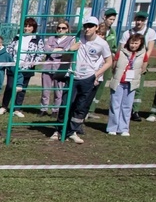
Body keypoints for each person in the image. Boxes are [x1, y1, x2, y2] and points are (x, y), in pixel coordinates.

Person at [53, 13, 112, 144]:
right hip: (73, 76)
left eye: (91, 26)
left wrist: (96, 74)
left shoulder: (102, 43)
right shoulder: (77, 37)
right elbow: (65, 55)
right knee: (66, 103)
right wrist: (70, 49)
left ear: (96, 27)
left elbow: (109, 61)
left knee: (81, 106)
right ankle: (59, 130)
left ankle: (72, 131)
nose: (87, 29)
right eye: (86, 26)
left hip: (88, 78)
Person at [108, 32, 148, 136]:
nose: (133, 45)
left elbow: (143, 67)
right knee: (115, 105)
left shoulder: (143, 54)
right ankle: (112, 127)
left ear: (140, 43)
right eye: (131, 43)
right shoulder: (121, 52)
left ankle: (123, 128)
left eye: (136, 43)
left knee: (127, 106)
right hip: (119, 82)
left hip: (131, 83)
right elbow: (114, 65)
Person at [2, 18, 41, 118]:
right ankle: (4, 106)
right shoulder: (17, 37)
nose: (27, 28)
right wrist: (9, 60)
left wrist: (34, 62)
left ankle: (17, 109)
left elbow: (40, 52)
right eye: (25, 26)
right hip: (14, 66)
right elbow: (9, 49)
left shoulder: (37, 38)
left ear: (34, 28)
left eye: (29, 26)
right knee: (10, 87)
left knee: (21, 89)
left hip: (27, 68)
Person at [40, 18, 74, 118]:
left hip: (60, 68)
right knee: (45, 90)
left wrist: (54, 50)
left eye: (63, 28)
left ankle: (56, 110)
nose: (60, 30)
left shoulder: (71, 39)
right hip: (47, 67)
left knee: (58, 91)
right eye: (59, 28)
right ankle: (43, 108)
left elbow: (67, 52)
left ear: (67, 29)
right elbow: (46, 50)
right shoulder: (51, 38)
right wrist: (59, 50)